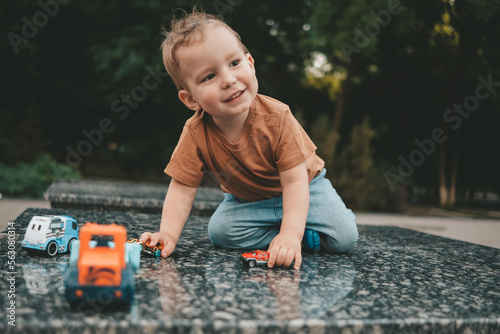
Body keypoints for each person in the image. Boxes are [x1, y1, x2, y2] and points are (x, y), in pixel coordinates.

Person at [140, 9, 358, 270]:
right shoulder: (196, 132)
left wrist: (290, 232)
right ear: (191, 99)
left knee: (344, 237)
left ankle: (291, 234)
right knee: (221, 232)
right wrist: (168, 234)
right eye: (210, 76)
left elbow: (295, 180)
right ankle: (288, 237)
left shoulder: (278, 117)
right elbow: (182, 187)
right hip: (249, 201)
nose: (229, 80)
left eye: (234, 64)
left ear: (251, 64)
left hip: (306, 188)